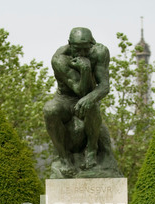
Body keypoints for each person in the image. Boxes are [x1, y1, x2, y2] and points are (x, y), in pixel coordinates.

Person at [43, 27, 113, 176]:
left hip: (88, 97)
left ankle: (92, 151)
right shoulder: (60, 58)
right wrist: (86, 70)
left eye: (85, 49)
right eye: (77, 49)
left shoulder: (101, 52)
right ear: (69, 44)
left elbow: (104, 86)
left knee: (91, 105)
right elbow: (78, 90)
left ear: (92, 44)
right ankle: (64, 159)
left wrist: (90, 98)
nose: (81, 54)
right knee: (49, 110)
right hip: (65, 99)